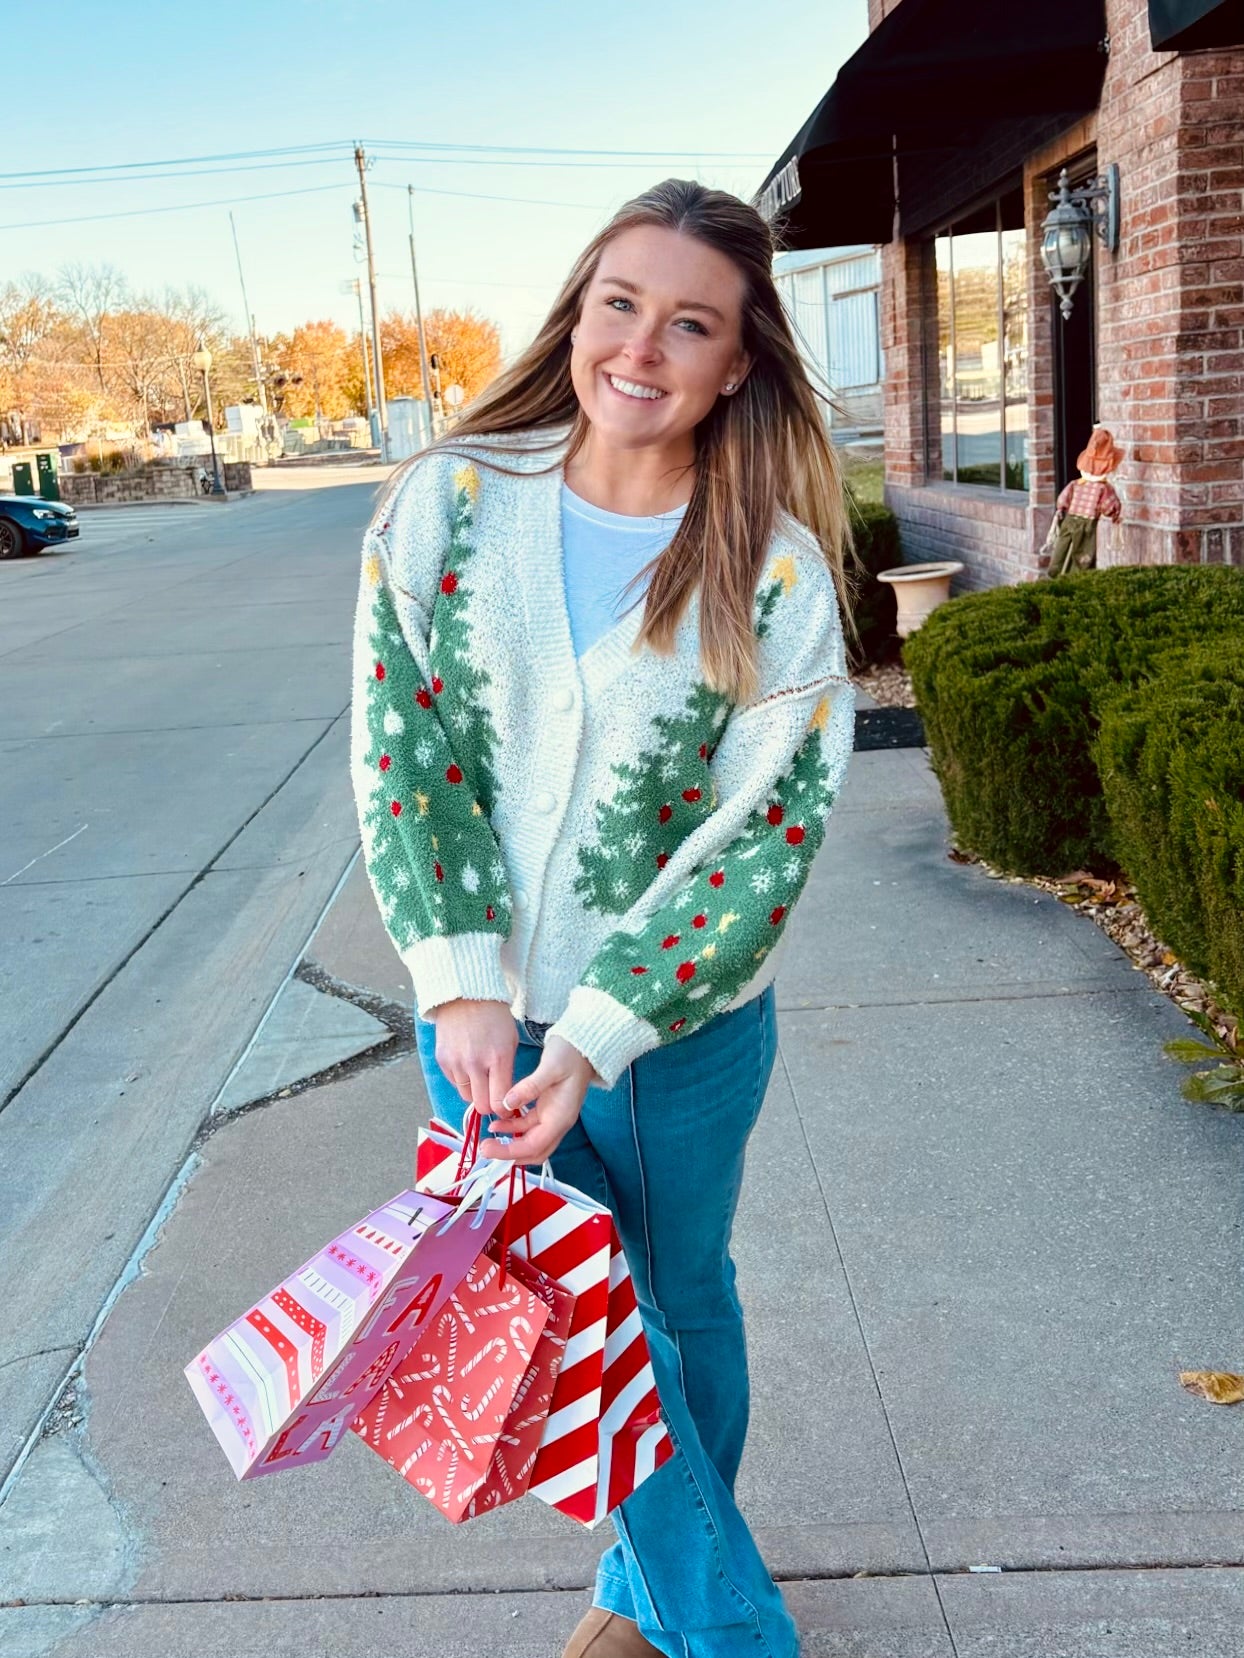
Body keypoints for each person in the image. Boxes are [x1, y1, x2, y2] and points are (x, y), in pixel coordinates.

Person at [349, 178, 859, 1658]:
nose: (640, 346)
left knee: (674, 1299)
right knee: (581, 1317)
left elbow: (766, 829)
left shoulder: (771, 565)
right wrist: (461, 979)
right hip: (482, 1023)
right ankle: (723, 1628)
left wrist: (597, 1031)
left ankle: (649, 1607)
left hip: (680, 1032)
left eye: (689, 323)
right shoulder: (451, 501)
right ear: (577, 312)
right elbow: (404, 748)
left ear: (738, 361)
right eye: (618, 303)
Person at [1041, 425, 1125, 576]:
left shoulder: (1075, 484)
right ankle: (1076, 579)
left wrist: (1061, 509)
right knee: (1082, 557)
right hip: (1087, 525)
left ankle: (1056, 571)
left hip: (1070, 519)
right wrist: (1115, 514)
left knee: (1062, 546)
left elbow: (1063, 500)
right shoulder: (1103, 489)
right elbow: (1109, 507)